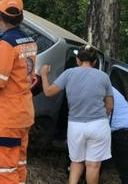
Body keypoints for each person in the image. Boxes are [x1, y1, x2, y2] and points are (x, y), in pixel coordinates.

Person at [0, 0, 38, 184]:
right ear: (20, 17)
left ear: (0, 17)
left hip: (8, 116)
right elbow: (31, 77)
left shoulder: (6, 44)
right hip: (23, 113)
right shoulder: (30, 42)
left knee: (4, 168)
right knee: (18, 164)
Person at [40, 45, 114, 184]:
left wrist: (44, 74)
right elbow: (109, 106)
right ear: (95, 62)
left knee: (76, 163)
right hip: (98, 125)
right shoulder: (104, 77)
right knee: (93, 165)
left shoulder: (69, 73)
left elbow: (49, 92)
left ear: (77, 60)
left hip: (76, 125)